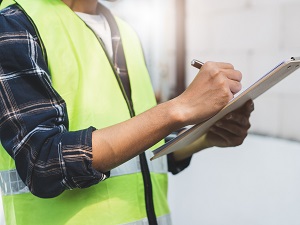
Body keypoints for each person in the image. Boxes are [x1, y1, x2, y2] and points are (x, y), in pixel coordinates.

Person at [0, 0, 254, 224]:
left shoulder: (126, 32)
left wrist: (205, 138)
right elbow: (43, 161)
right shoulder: (15, 23)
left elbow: (138, 148)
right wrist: (179, 108)